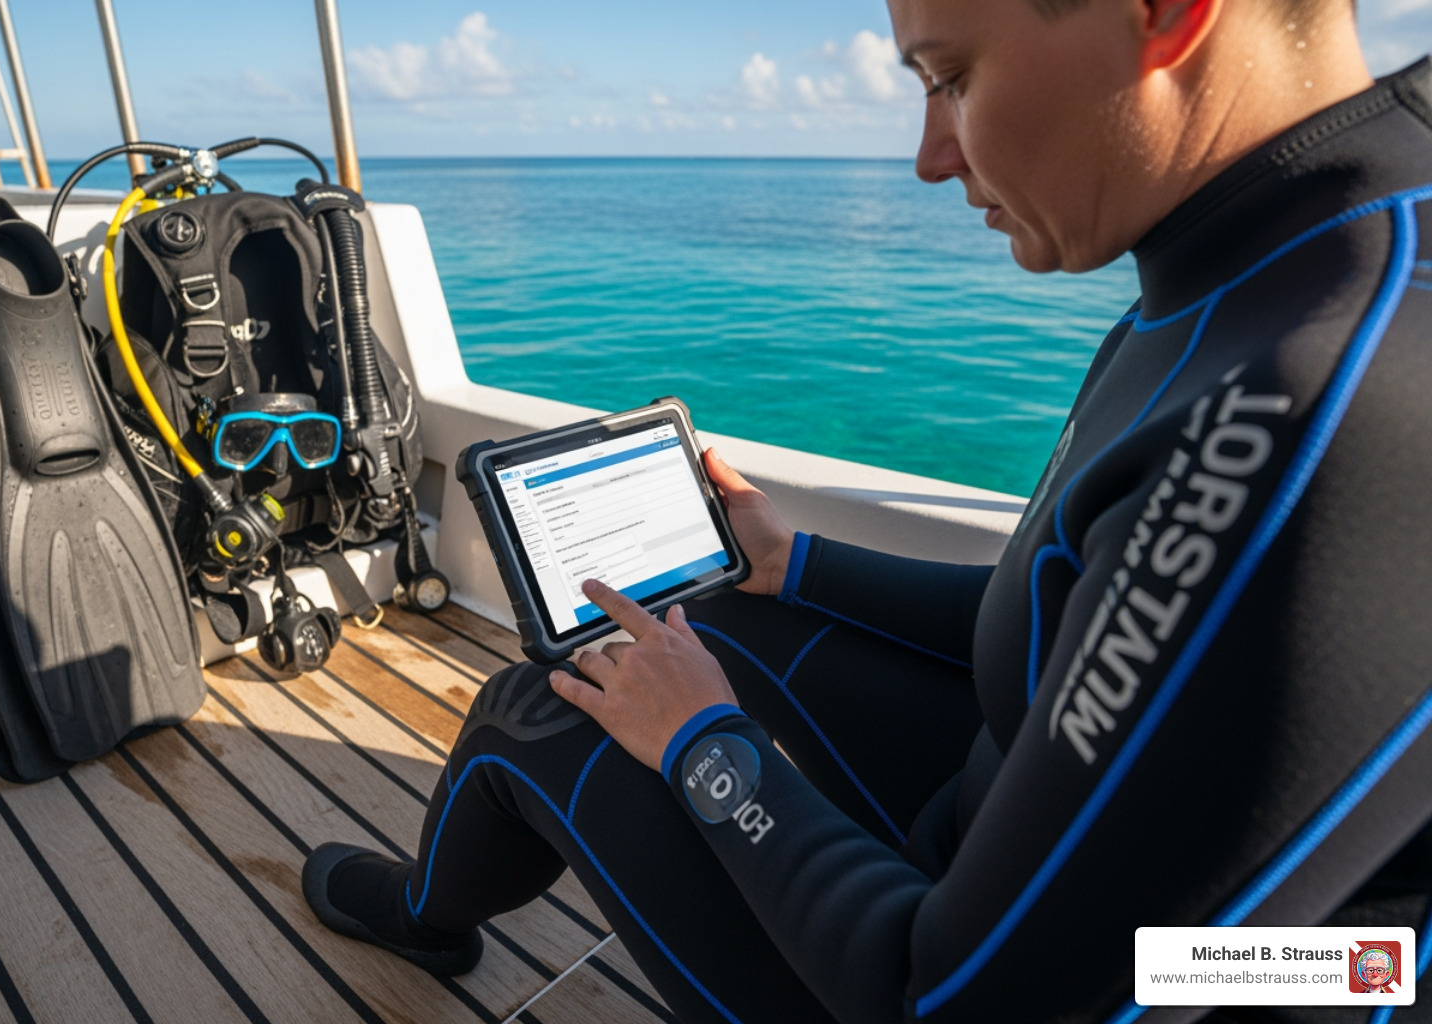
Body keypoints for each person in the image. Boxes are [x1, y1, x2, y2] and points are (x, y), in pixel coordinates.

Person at [302, 0, 1432, 1020]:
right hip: (1093, 885)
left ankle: (426, 916)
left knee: (541, 709)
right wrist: (795, 564)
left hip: (1141, 977)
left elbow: (950, 997)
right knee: (708, 621)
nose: (933, 157)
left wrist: (707, 744)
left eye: (951, 78)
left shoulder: (1324, 403)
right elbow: (1086, 613)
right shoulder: (1283, 263)